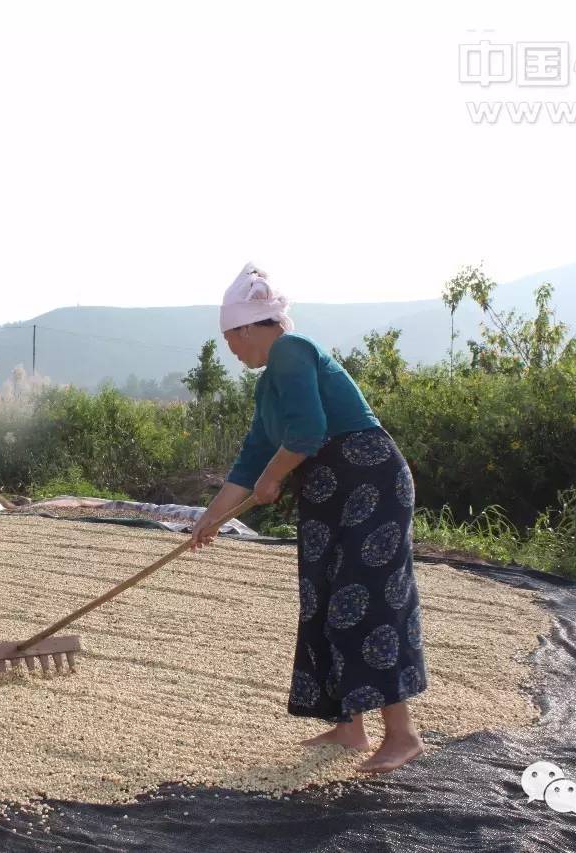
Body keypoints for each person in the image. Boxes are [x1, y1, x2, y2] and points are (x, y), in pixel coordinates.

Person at [189, 262, 426, 774]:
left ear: (250, 328)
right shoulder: (267, 384)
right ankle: (350, 727)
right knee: (322, 599)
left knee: (363, 599)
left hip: (369, 481)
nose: (230, 349)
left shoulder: (292, 352)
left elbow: (307, 433)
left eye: (230, 338)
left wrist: (274, 479)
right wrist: (212, 519)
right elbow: (253, 457)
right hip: (326, 489)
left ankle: (403, 735)